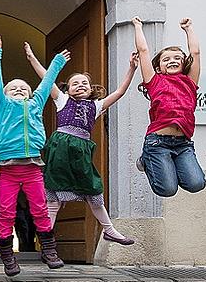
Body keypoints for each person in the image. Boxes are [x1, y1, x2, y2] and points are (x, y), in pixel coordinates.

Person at [24, 42, 138, 245]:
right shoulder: (62, 100)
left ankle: (109, 230)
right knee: (53, 196)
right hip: (60, 150)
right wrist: (32, 58)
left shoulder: (96, 105)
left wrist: (131, 68)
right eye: (75, 83)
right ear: (67, 88)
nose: (80, 85)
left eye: (84, 82)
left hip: (81, 153)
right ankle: (47, 239)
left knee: (93, 190)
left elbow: (120, 92)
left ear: (90, 88)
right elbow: (46, 78)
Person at [0, 34, 68, 276]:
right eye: (14, 87)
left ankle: (49, 249)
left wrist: (57, 63)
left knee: (40, 209)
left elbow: (46, 84)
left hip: (33, 168)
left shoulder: (35, 103)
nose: (20, 89)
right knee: (7, 212)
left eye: (24, 87)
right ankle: (7, 255)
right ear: (6, 93)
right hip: (9, 170)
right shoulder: (2, 105)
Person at [132, 16, 206, 197]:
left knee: (197, 184)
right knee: (167, 190)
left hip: (183, 144)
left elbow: (195, 53)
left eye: (177, 58)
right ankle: (147, 159)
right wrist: (137, 26)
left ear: (183, 63)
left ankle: (167, 165)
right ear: (158, 67)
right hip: (158, 142)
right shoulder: (154, 81)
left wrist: (189, 28)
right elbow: (143, 51)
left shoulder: (189, 82)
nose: (172, 61)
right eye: (166, 59)